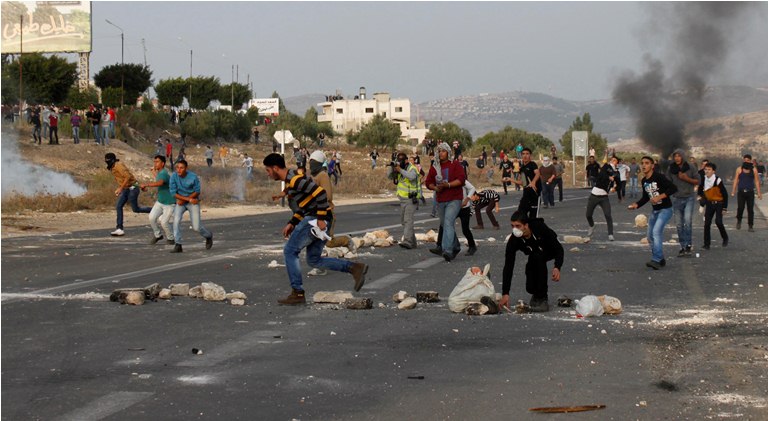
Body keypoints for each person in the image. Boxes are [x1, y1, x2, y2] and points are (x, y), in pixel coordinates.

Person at [262, 153, 368, 305]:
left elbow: (320, 193)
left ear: (275, 168)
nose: (268, 174)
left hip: (315, 220)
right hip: (319, 218)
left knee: (290, 251)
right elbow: (306, 205)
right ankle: (354, 268)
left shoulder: (294, 180)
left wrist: (320, 218)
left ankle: (297, 293)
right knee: (314, 259)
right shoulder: (291, 180)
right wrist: (292, 222)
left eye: (268, 170)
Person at [499, 210, 563, 312]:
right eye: (512, 226)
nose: (515, 229)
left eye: (518, 226)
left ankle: (543, 298)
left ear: (526, 225)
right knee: (530, 286)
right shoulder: (514, 240)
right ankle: (536, 294)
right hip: (534, 253)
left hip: (549, 250)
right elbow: (508, 265)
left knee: (539, 258)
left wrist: (557, 267)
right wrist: (505, 293)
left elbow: (559, 249)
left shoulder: (540, 228)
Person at [628, 156, 678, 270]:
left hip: (665, 209)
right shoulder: (644, 180)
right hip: (655, 211)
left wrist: (660, 196)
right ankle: (660, 259)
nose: (644, 165)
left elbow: (673, 188)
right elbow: (646, 197)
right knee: (650, 236)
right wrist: (636, 205)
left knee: (656, 232)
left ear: (652, 166)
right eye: (642, 163)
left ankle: (656, 259)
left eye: (647, 163)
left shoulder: (659, 177)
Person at [425, 142, 466, 262]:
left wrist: (448, 185)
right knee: (445, 224)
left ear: (448, 152)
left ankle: (447, 250)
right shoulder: (435, 167)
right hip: (441, 199)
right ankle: (456, 246)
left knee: (448, 222)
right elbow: (428, 182)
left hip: (454, 198)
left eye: (443, 151)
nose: (441, 153)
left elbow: (461, 180)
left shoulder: (455, 165)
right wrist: (435, 188)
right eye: (439, 151)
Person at [169, 159, 214, 253]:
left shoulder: (193, 177)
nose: (179, 170)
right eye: (177, 167)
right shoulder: (173, 176)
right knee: (176, 221)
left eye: (181, 168)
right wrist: (184, 199)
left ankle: (208, 236)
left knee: (196, 227)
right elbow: (173, 193)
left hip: (192, 202)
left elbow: (197, 191)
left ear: (186, 168)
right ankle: (178, 244)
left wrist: (187, 199)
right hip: (182, 202)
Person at [105, 152, 152, 237]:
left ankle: (155, 211)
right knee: (119, 206)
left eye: (108, 160)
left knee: (136, 209)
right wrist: (120, 188)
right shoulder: (113, 167)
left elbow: (128, 177)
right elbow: (122, 179)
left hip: (132, 188)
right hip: (126, 189)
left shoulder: (118, 165)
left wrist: (120, 188)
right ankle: (119, 228)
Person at [307, 150, 336, 276]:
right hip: (316, 212)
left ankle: (320, 266)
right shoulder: (313, 176)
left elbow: (328, 195)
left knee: (322, 240)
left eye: (314, 162)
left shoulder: (322, 175)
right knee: (319, 240)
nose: (311, 165)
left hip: (325, 212)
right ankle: (319, 265)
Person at [666, 149, 700, 257]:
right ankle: (682, 246)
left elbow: (698, 181)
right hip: (676, 198)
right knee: (679, 224)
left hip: (689, 197)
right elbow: (667, 182)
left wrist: (686, 178)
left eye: (679, 156)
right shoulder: (671, 169)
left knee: (687, 221)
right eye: (675, 156)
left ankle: (688, 245)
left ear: (683, 157)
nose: (677, 158)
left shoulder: (690, 167)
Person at [432, 179, 479, 257]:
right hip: (453, 207)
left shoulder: (460, 179)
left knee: (465, 229)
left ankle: (472, 246)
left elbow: (472, 188)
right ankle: (440, 246)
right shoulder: (446, 180)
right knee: (444, 224)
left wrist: (467, 199)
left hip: (464, 208)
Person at [140, 155, 176, 245]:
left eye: (157, 162)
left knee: (164, 222)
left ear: (162, 163)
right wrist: (154, 173)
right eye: (154, 161)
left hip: (169, 202)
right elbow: (158, 178)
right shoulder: (160, 173)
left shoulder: (164, 173)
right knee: (151, 218)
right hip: (160, 201)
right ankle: (158, 235)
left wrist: (146, 184)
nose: (155, 163)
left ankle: (171, 238)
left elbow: (160, 182)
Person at [388, 151, 419, 249]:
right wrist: (391, 166)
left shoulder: (412, 168)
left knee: (408, 220)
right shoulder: (399, 169)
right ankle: (413, 242)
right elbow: (389, 176)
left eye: (401, 160)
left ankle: (408, 241)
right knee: (404, 222)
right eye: (398, 160)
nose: (400, 162)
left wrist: (400, 170)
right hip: (402, 200)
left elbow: (412, 177)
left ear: (406, 160)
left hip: (411, 199)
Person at [698, 162, 728, 250]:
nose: (707, 171)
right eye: (705, 169)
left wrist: (724, 208)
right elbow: (700, 189)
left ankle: (725, 238)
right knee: (707, 223)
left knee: (718, 222)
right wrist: (700, 198)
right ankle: (706, 244)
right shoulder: (703, 179)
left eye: (709, 170)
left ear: (713, 171)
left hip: (719, 203)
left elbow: (725, 194)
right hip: (709, 203)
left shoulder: (717, 180)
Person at [586, 155, 617, 241]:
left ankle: (610, 234)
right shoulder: (606, 167)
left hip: (604, 197)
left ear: (617, 162)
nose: (613, 161)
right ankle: (592, 225)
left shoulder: (616, 172)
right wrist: (608, 177)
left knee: (608, 215)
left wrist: (615, 188)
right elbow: (602, 174)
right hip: (594, 195)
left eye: (615, 160)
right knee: (588, 215)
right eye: (612, 160)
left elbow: (617, 183)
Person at [731, 154, 762, 232]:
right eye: (745, 160)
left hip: (750, 192)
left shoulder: (754, 170)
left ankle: (750, 226)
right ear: (743, 160)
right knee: (740, 208)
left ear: (750, 161)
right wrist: (733, 190)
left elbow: (757, 181)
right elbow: (736, 180)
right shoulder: (739, 169)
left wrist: (759, 193)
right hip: (741, 192)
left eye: (748, 160)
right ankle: (739, 220)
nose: (746, 161)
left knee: (750, 209)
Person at [513, 148, 541, 219]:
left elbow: (537, 173)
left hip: (534, 195)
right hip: (525, 196)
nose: (525, 156)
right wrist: (510, 179)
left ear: (530, 155)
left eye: (527, 154)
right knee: (520, 216)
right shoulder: (522, 168)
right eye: (523, 154)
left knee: (533, 219)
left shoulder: (532, 164)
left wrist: (533, 182)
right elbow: (522, 183)